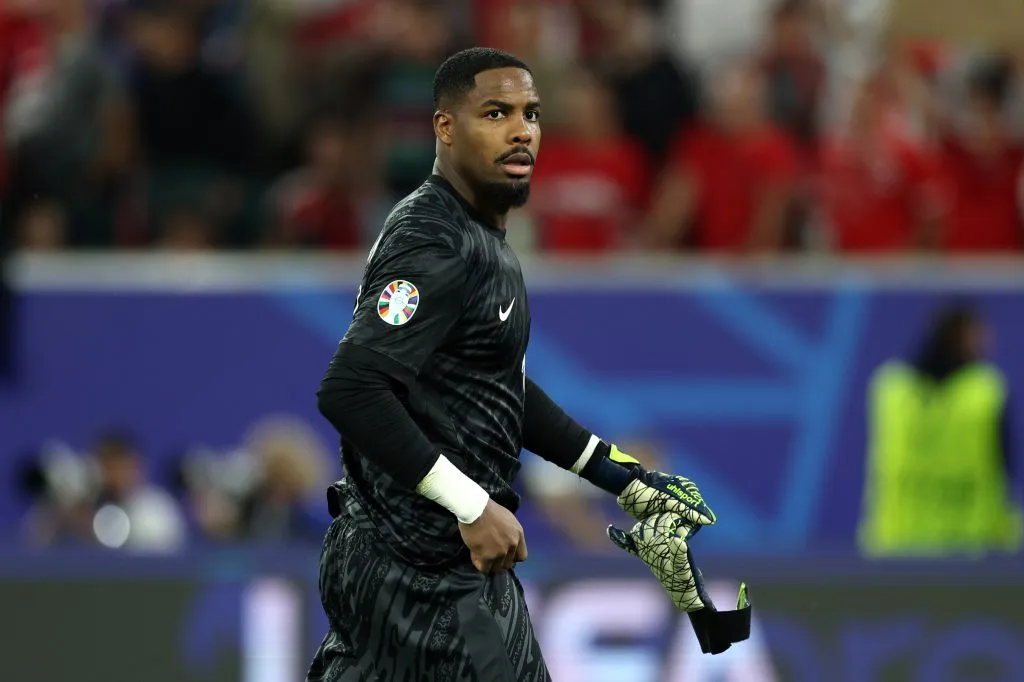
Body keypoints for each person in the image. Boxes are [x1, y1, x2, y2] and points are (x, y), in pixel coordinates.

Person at [307, 48, 730, 682]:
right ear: (445, 128)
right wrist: (471, 505)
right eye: (496, 112)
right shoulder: (437, 239)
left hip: (424, 562)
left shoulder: (479, 239)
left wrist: (626, 480)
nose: (520, 129)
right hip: (428, 571)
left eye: (530, 113)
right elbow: (353, 387)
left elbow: (499, 390)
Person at [858, 303, 1022, 557]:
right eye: (977, 333)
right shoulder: (986, 391)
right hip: (968, 550)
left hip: (898, 548)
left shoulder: (891, 387)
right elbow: (1005, 469)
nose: (985, 341)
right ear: (959, 336)